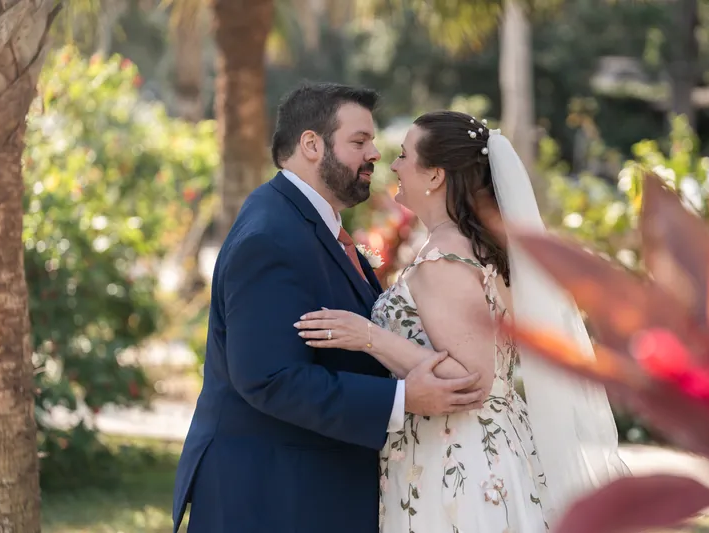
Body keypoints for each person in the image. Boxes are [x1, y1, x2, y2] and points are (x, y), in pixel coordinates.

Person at [295, 111, 630, 532]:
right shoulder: (479, 247)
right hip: (493, 445)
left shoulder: (444, 260)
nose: (392, 164)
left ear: (434, 175)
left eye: (403, 155)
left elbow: (470, 378)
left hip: (458, 460)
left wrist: (368, 337)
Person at [172, 86, 487, 533]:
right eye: (359, 142)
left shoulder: (311, 223)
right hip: (270, 496)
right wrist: (402, 399)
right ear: (311, 144)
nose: (376, 154)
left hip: (310, 488)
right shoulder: (270, 234)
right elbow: (268, 377)